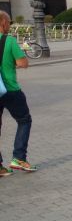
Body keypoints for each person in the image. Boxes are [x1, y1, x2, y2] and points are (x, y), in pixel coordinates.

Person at [0, 11, 37, 175]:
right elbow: (23, 63)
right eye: (9, 22)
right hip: (10, 90)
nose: (9, 25)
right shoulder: (9, 41)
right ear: (2, 23)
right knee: (24, 120)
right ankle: (19, 158)